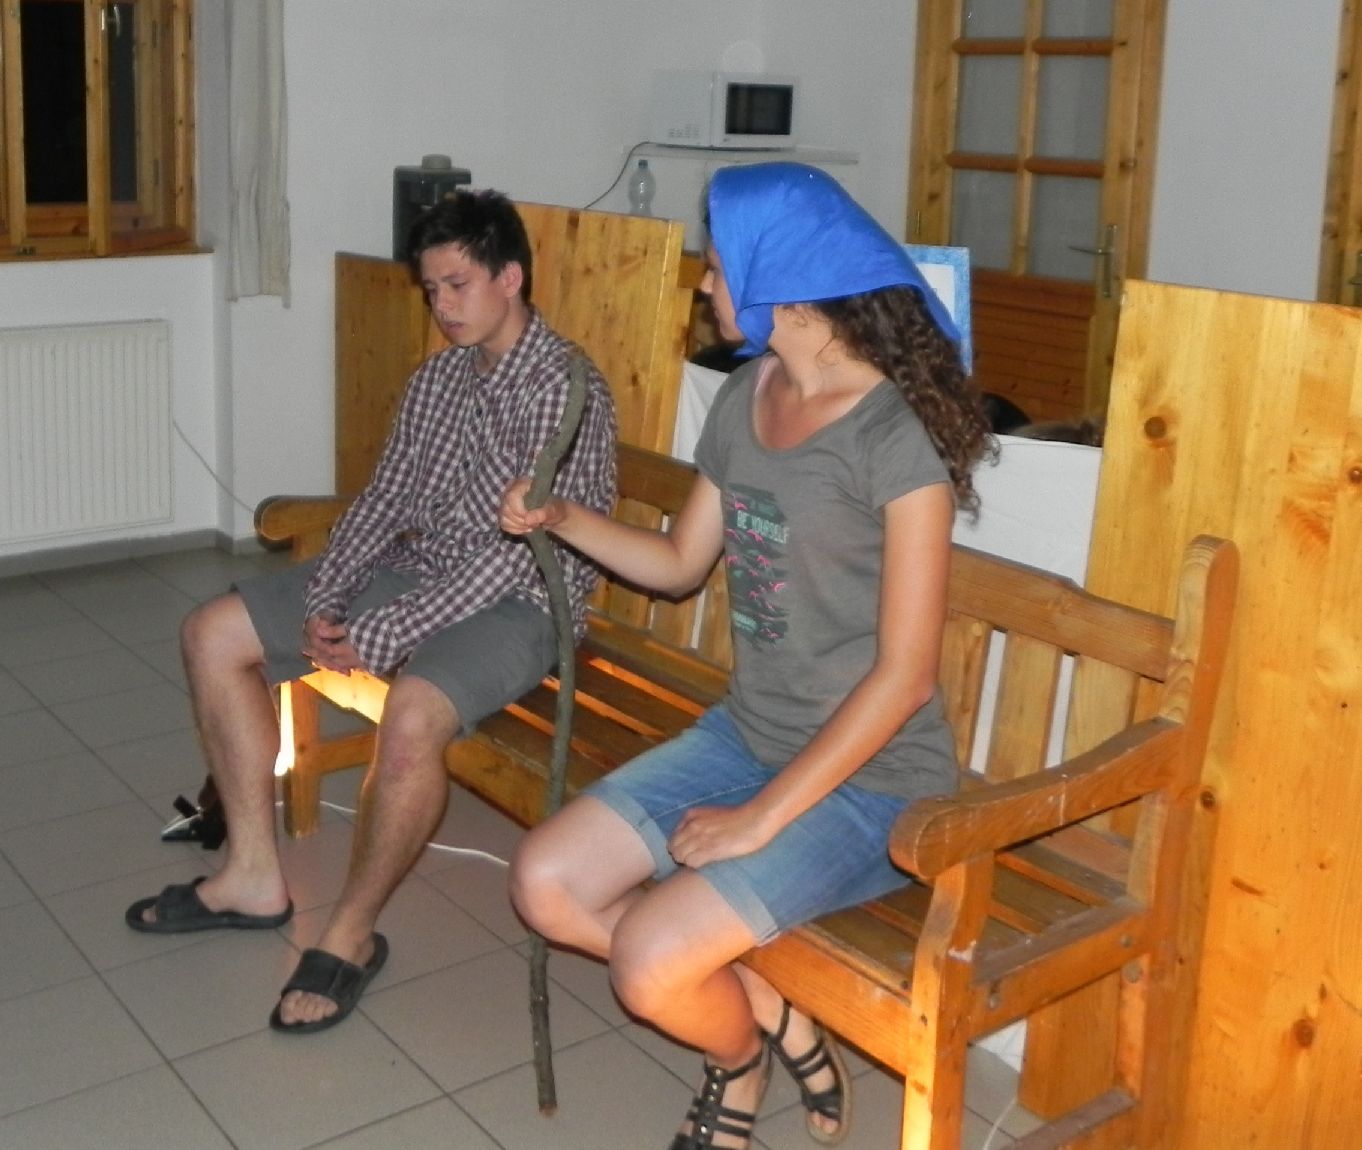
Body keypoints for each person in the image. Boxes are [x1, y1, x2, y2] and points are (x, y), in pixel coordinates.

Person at [499, 163, 992, 1149]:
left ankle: (732, 1071)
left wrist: (758, 818)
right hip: (749, 736)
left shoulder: (893, 439)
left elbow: (904, 678)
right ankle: (765, 1025)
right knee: (545, 881)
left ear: (785, 280)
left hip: (872, 781)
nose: (705, 283)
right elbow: (681, 564)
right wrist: (563, 519)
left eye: (718, 267)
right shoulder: (745, 394)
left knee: (648, 959)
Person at [124, 189, 618, 1035]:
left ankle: (350, 933)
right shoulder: (439, 378)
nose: (442, 306)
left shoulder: (564, 389)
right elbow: (384, 499)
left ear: (510, 276)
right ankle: (252, 876)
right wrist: (330, 594)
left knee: (414, 713)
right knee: (211, 633)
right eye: (431, 289)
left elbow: (515, 557)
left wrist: (383, 632)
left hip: (523, 601)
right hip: (420, 571)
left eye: (457, 285)